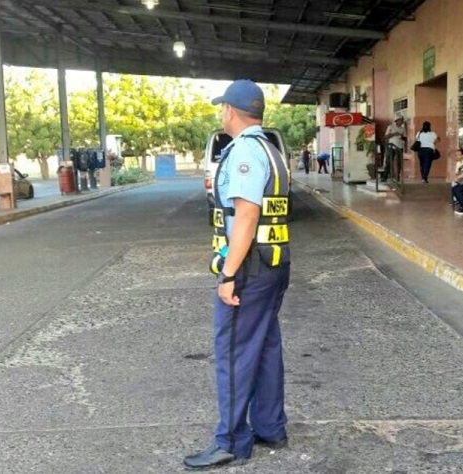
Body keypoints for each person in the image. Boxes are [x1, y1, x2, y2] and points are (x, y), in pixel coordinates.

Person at [184, 79, 291, 470]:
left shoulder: (246, 150)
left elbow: (246, 215)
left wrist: (228, 275)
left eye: (222, 109)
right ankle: (270, 427)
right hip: (274, 263)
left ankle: (230, 439)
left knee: (232, 350)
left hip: (249, 268)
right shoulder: (271, 149)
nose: (221, 114)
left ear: (230, 111)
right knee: (263, 346)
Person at [380, 116, 406, 182]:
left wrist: (402, 137)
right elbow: (386, 136)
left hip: (400, 147)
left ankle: (397, 177)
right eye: (400, 120)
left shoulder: (402, 129)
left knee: (399, 163)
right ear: (396, 121)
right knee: (388, 162)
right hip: (391, 147)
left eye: (402, 121)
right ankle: (385, 177)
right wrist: (394, 134)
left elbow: (405, 138)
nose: (401, 122)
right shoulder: (390, 127)